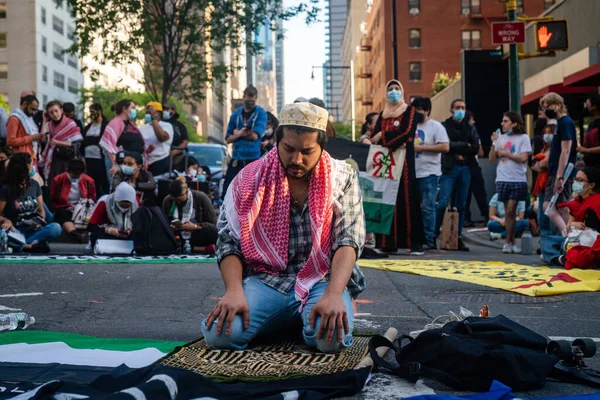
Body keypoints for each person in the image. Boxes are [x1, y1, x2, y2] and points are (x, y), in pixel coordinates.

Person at [202, 102, 365, 353]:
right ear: (277, 141)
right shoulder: (249, 178)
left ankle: (299, 318)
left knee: (331, 340)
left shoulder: (342, 177)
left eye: (307, 151)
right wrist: (234, 291)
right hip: (266, 280)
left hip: (322, 280)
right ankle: (288, 318)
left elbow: (348, 239)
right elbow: (228, 240)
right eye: (288, 149)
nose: (296, 159)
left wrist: (334, 294)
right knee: (220, 336)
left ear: (321, 147)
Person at [372, 80, 425, 255]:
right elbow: (374, 136)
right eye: (390, 89)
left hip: (404, 164)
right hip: (386, 164)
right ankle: (388, 243)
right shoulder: (383, 114)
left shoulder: (409, 111)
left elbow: (407, 132)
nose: (393, 92)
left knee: (408, 199)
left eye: (396, 89)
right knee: (387, 200)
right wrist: (374, 137)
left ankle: (414, 243)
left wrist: (383, 136)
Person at [436, 99, 480, 251]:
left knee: (461, 205)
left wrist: (455, 146)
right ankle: (434, 234)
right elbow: (445, 146)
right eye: (458, 107)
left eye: (463, 107)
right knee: (442, 202)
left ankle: (457, 237)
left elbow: (475, 147)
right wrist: (463, 145)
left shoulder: (470, 127)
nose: (461, 110)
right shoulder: (444, 126)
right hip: (449, 168)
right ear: (451, 109)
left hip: (465, 168)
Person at [0, 153, 62, 253]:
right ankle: (30, 246)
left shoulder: (34, 184)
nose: (33, 167)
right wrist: (6, 220)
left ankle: (21, 245)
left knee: (55, 228)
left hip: (33, 230)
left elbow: (41, 210)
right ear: (25, 166)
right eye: (31, 164)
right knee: (1, 234)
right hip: (15, 230)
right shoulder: (6, 188)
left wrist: (39, 221)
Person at [488, 112, 532, 254]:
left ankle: (507, 242)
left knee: (510, 210)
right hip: (502, 178)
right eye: (502, 121)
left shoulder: (523, 138)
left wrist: (506, 154)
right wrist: (494, 143)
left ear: (514, 123)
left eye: (506, 121)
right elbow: (491, 159)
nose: (502, 123)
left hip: (517, 178)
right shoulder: (501, 137)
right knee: (509, 214)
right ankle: (512, 242)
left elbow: (523, 158)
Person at [412, 97, 449, 250]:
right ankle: (417, 238)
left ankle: (429, 239)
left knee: (428, 207)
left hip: (429, 173)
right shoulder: (411, 126)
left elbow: (445, 147)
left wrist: (422, 148)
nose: (416, 113)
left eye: (419, 110)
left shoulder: (436, 127)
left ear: (427, 110)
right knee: (415, 208)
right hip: (412, 173)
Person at [541, 93, 578, 236]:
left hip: (562, 173)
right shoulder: (560, 124)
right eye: (544, 107)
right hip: (557, 171)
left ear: (558, 106)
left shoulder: (565, 122)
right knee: (554, 206)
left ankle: (570, 235)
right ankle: (568, 235)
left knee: (557, 207)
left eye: (548, 107)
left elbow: (566, 150)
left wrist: (559, 177)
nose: (546, 110)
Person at [222, 85, 267, 198]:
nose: (250, 102)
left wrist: (238, 134)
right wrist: (243, 133)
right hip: (237, 158)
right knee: (228, 190)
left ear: (256, 98)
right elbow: (228, 139)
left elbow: (255, 136)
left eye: (252, 100)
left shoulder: (261, 114)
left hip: (253, 159)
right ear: (243, 97)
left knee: (252, 192)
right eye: (248, 100)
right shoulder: (236, 114)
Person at [556, 167, 600, 269]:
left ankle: (559, 258)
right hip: (574, 238)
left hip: (589, 243)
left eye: (580, 180)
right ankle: (561, 257)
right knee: (547, 240)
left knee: (581, 255)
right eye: (575, 179)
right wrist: (573, 224)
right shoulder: (576, 202)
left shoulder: (596, 202)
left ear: (591, 185)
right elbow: (568, 227)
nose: (576, 183)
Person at [162, 177, 217, 254]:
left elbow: (213, 225)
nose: (178, 202)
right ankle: (195, 248)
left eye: (179, 200)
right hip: (177, 235)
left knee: (212, 232)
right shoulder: (168, 200)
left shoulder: (201, 197)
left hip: (196, 234)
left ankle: (193, 248)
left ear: (186, 192)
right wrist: (172, 226)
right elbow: (164, 222)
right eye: (175, 201)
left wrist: (195, 226)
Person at [50, 158, 96, 243]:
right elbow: (54, 199)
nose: (76, 177)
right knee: (62, 214)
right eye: (73, 175)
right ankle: (73, 233)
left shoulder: (89, 181)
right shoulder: (58, 180)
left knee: (90, 215)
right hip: (64, 207)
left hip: (83, 208)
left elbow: (92, 198)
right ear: (67, 171)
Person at [40, 100, 83, 185]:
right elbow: (42, 137)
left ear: (61, 110)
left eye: (56, 111)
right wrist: (44, 121)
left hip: (66, 159)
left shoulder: (70, 124)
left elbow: (76, 144)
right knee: (53, 185)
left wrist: (57, 142)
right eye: (51, 112)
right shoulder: (49, 124)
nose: (55, 114)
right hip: (53, 159)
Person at [100, 99, 144, 179]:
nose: (135, 110)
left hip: (134, 167)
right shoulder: (115, 123)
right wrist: (115, 164)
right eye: (133, 108)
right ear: (124, 108)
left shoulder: (131, 124)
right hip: (122, 166)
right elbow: (109, 145)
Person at [87, 182, 139, 248]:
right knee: (96, 235)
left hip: (127, 235)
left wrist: (130, 229)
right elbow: (91, 226)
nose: (124, 209)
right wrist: (109, 231)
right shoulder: (104, 203)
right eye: (122, 205)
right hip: (108, 233)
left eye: (127, 206)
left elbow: (140, 223)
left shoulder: (136, 203)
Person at [463, 111, 489, 227]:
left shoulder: (474, 134)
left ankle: (467, 219)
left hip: (471, 166)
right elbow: (480, 152)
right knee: (476, 194)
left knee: (471, 194)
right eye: (472, 119)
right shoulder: (471, 133)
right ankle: (485, 216)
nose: (474, 122)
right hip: (470, 166)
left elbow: (480, 152)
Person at [532, 121, 555, 238]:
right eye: (545, 133)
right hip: (541, 183)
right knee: (541, 213)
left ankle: (549, 239)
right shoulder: (544, 149)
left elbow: (541, 165)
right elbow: (535, 166)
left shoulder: (555, 149)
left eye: (550, 133)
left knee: (547, 213)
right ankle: (544, 240)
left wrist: (539, 164)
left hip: (549, 182)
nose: (547, 135)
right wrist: (539, 164)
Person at [139, 102, 173, 178]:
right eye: (147, 112)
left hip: (161, 162)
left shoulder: (167, 126)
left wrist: (154, 119)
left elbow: (162, 137)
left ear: (158, 113)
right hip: (146, 163)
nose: (148, 114)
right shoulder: (142, 128)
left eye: (151, 111)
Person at [82, 103, 110, 196]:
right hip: (88, 158)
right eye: (90, 112)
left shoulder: (106, 125)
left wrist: (91, 140)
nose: (92, 114)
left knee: (100, 181)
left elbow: (102, 140)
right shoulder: (88, 127)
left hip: (100, 158)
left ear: (99, 111)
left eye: (93, 112)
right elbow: (83, 141)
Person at [6, 95, 45, 161]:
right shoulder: (14, 119)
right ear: (24, 104)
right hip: (20, 159)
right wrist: (32, 138)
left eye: (36, 110)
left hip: (31, 157)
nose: (34, 113)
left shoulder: (29, 118)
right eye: (32, 109)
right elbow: (10, 141)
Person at [163, 104, 189, 171]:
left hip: (176, 158)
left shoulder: (180, 126)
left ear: (173, 111)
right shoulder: (158, 124)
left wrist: (172, 153)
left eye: (167, 109)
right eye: (164, 109)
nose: (164, 111)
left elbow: (185, 142)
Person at [577, 94, 600, 170]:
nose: (586, 107)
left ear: (594, 106)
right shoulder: (591, 125)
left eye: (587, 105)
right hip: (590, 167)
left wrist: (585, 150)